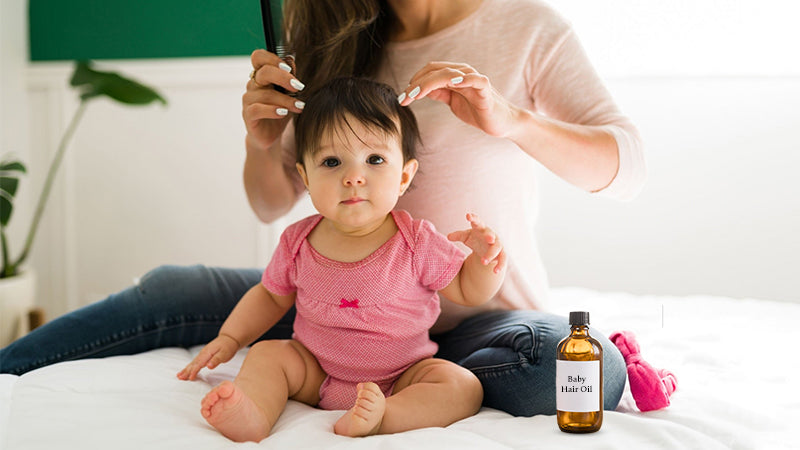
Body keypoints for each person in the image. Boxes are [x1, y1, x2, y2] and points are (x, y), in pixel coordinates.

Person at [1, 0, 645, 417]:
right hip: (336, 307)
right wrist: (262, 143)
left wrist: (510, 119)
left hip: (474, 317)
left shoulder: (526, 28)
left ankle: (410, 387)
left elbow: (626, 168)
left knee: (577, 363)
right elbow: (269, 202)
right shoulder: (328, 35)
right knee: (175, 289)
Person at [177, 77, 507, 441]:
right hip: (315, 371)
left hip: (402, 375)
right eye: (332, 161)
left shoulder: (415, 240)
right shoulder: (298, 240)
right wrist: (230, 336)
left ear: (403, 176)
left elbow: (466, 288)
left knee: (460, 385)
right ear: (305, 176)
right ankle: (253, 412)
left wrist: (486, 262)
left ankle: (385, 415)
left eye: (374, 159)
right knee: (269, 355)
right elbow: (271, 296)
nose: (353, 177)